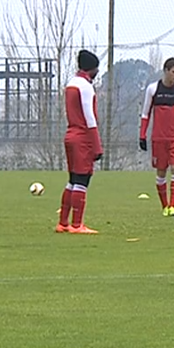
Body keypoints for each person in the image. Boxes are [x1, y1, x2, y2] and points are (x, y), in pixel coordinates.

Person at [56, 50, 104, 235]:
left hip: (70, 134)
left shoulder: (71, 84)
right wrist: (96, 144)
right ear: (92, 68)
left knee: (72, 180)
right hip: (82, 136)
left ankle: (63, 223)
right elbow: (89, 116)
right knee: (82, 180)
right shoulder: (85, 86)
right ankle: (77, 225)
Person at [140, 58, 174, 217]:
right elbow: (146, 113)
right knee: (161, 172)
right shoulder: (153, 89)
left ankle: (173, 206)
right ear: (166, 71)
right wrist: (142, 135)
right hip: (159, 138)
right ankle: (165, 206)